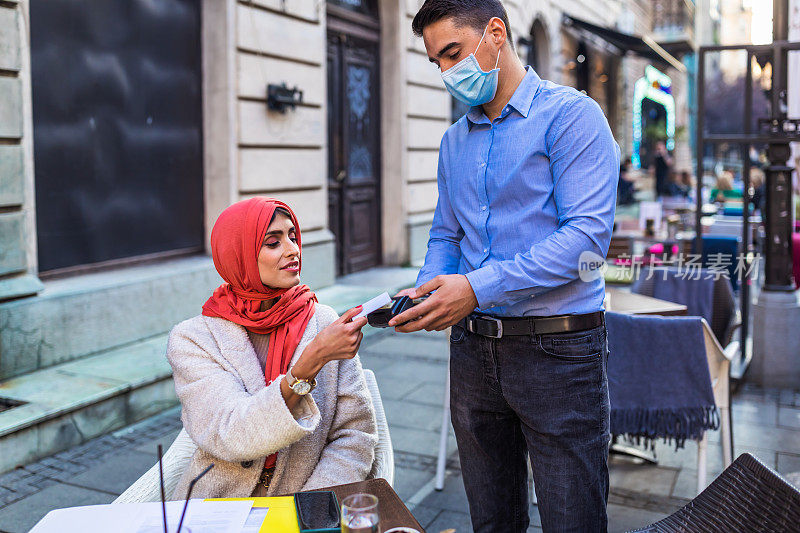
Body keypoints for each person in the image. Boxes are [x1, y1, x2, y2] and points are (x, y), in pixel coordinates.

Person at [390, 1, 619, 531]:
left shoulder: (572, 116)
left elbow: (586, 241)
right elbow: (447, 234)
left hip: (558, 351)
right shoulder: (453, 142)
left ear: (496, 32)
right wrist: (427, 291)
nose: (447, 73)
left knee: (573, 520)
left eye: (452, 53)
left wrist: (475, 286)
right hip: (472, 351)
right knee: (492, 521)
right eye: (436, 62)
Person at [166, 197, 377, 499]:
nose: (293, 250)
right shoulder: (194, 339)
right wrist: (311, 361)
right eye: (272, 243)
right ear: (238, 255)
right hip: (217, 507)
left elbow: (355, 435)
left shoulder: (323, 322)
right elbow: (231, 433)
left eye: (292, 236)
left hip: (304, 503)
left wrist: (309, 509)